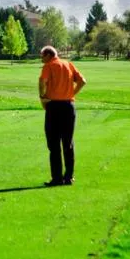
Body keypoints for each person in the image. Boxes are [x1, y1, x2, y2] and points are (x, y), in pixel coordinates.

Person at [38, 45, 86, 187]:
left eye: (42, 56)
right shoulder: (68, 64)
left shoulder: (49, 65)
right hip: (68, 107)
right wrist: (72, 93)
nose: (41, 59)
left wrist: (42, 97)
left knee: (54, 144)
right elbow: (82, 81)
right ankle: (69, 177)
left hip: (53, 106)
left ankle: (57, 178)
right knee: (68, 143)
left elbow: (42, 82)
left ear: (48, 55)